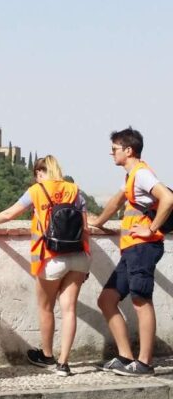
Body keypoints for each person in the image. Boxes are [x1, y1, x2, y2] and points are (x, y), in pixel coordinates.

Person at [0, 155, 91, 377]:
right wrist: (87, 260)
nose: (36, 178)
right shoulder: (74, 190)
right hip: (79, 255)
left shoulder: (37, 190)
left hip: (50, 256)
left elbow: (9, 214)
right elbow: (86, 227)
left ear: (41, 173)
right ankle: (64, 364)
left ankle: (47, 356)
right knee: (69, 309)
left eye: (37, 174)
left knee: (46, 308)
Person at [89, 127, 173, 376]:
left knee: (141, 301)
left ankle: (145, 363)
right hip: (131, 249)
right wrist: (97, 222)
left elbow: (167, 198)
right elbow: (116, 202)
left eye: (114, 148)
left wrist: (152, 229)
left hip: (143, 247)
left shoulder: (142, 174)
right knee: (107, 300)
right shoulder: (131, 176)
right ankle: (126, 357)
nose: (111, 152)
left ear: (128, 150)